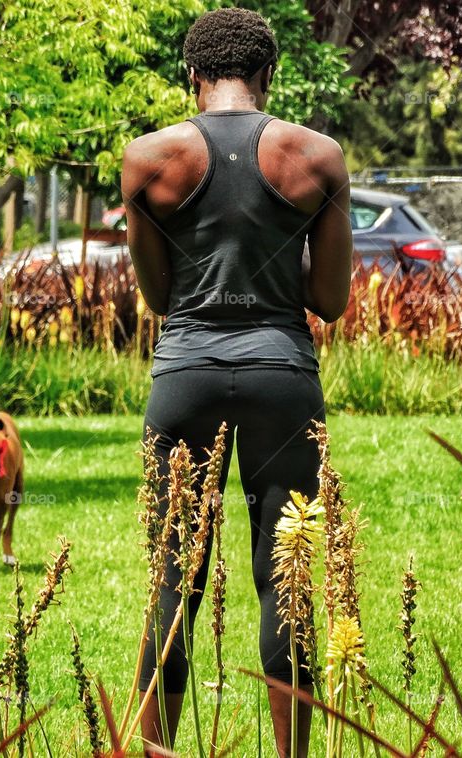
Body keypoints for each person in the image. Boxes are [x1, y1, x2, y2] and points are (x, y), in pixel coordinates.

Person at [121, 8, 352, 757]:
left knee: (173, 581)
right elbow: (330, 300)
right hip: (282, 377)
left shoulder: (146, 160)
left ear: (192, 77)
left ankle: (156, 751)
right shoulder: (316, 155)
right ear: (269, 75)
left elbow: (158, 299)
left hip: (183, 372)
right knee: (284, 578)